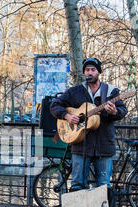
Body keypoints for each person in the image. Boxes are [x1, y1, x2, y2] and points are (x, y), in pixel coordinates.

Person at [50, 57, 128, 191]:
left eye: (93, 69)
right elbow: (54, 104)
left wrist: (115, 111)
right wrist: (67, 115)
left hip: (104, 144)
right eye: (87, 70)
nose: (89, 72)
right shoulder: (75, 91)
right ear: (84, 73)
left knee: (104, 186)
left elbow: (122, 110)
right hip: (81, 145)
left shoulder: (111, 91)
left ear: (99, 72)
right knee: (77, 185)